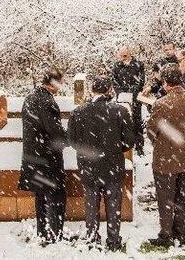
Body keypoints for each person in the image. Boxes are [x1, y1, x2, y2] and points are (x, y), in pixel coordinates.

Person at [68, 76, 135, 251]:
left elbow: (72, 141)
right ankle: (113, 241)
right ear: (110, 90)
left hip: (89, 166)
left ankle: (92, 238)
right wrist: (114, 149)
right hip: (113, 165)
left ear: (92, 90)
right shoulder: (120, 111)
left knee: (91, 204)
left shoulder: (78, 112)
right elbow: (129, 141)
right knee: (114, 205)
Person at [146, 64, 185, 248]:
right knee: (182, 197)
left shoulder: (161, 104)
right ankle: (181, 232)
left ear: (165, 83)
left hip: (165, 157)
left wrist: (160, 143)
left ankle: (166, 235)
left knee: (165, 197)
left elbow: (152, 132)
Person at [18, 67, 68, 245]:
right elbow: (55, 132)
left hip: (34, 157)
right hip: (47, 159)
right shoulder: (47, 102)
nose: (62, 86)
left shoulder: (30, 98)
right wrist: (69, 137)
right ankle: (53, 235)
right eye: (61, 82)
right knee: (55, 197)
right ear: (53, 83)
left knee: (41, 198)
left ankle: (43, 232)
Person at [112, 46, 146, 156]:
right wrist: (121, 93)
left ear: (130, 54)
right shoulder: (117, 66)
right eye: (121, 56)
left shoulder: (138, 65)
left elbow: (140, 81)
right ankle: (125, 145)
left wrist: (132, 93)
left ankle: (139, 145)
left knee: (137, 120)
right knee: (123, 121)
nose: (123, 58)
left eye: (125, 56)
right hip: (121, 98)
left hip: (135, 98)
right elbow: (114, 81)